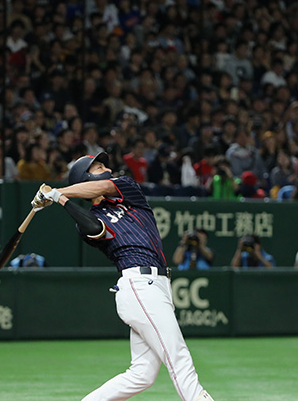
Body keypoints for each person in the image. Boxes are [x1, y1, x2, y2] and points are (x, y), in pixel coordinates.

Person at [31, 152, 213, 401]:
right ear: (83, 178)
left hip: (156, 286)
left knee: (142, 374)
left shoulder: (127, 189)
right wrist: (61, 199)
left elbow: (105, 186)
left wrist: (58, 193)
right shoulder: (89, 220)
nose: (105, 168)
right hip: (139, 284)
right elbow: (94, 229)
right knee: (177, 356)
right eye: (97, 167)